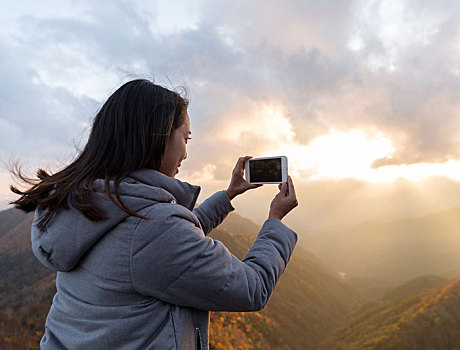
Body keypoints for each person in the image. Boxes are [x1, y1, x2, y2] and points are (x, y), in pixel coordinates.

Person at [10, 79, 298, 349]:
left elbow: (169, 242)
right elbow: (252, 288)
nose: (186, 153)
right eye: (186, 138)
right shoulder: (152, 228)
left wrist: (229, 194)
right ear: (159, 138)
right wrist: (275, 221)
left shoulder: (85, 201)